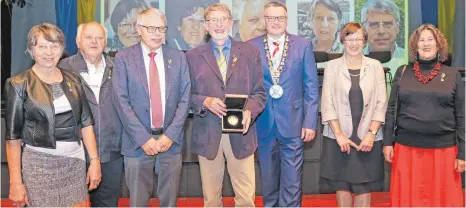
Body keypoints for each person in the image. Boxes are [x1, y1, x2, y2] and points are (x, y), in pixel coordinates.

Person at [4, 23, 101, 207]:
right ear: (32, 49)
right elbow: (13, 139)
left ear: (62, 49)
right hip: (39, 167)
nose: (49, 52)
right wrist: (16, 182)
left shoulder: (74, 79)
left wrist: (95, 161)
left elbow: (86, 123)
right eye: (42, 46)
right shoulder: (18, 84)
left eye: (54, 46)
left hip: (75, 163)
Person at [186, 3, 266, 207]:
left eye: (223, 19)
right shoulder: (192, 56)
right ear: (206, 25)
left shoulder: (250, 52)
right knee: (211, 200)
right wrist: (205, 101)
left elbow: (259, 93)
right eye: (213, 20)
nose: (219, 25)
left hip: (241, 134)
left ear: (231, 23)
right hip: (208, 134)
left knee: (246, 199)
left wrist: (250, 110)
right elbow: (186, 95)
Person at [112, 8, 191, 207]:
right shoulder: (123, 58)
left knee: (169, 201)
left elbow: (185, 98)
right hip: (137, 144)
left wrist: (170, 135)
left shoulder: (178, 57)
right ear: (139, 29)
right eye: (152, 28)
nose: (157, 33)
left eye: (161, 29)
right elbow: (121, 101)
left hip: (170, 143)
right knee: (137, 201)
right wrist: (143, 139)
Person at [383, 24, 465, 207]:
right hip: (407, 151)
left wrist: (464, 153)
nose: (426, 44)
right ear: (415, 46)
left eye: (430, 39)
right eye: (421, 40)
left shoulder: (452, 75)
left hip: (443, 153)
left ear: (438, 46)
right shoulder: (402, 72)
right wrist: (388, 142)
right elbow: (391, 109)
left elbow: (462, 116)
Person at [247, 2, 319, 207]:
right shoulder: (251, 46)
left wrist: (310, 122)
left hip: (294, 123)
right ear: (264, 20)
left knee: (293, 181)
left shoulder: (303, 45)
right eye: (271, 18)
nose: (276, 22)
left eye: (280, 18)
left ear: (287, 20)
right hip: (263, 122)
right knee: (268, 180)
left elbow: (311, 87)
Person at [320, 22, 387, 207]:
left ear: (365, 41)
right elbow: (327, 104)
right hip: (338, 137)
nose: (354, 43)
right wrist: (339, 135)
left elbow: (382, 103)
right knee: (341, 183)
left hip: (368, 136)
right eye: (350, 38)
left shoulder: (375, 66)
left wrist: (371, 134)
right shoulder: (332, 66)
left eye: (359, 39)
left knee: (364, 184)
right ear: (343, 41)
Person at [58, 21, 123, 207]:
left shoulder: (118, 67)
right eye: (88, 37)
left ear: (105, 42)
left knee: (108, 204)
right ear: (78, 41)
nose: (94, 41)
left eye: (99, 37)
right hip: (74, 154)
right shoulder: (63, 69)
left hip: (112, 153)